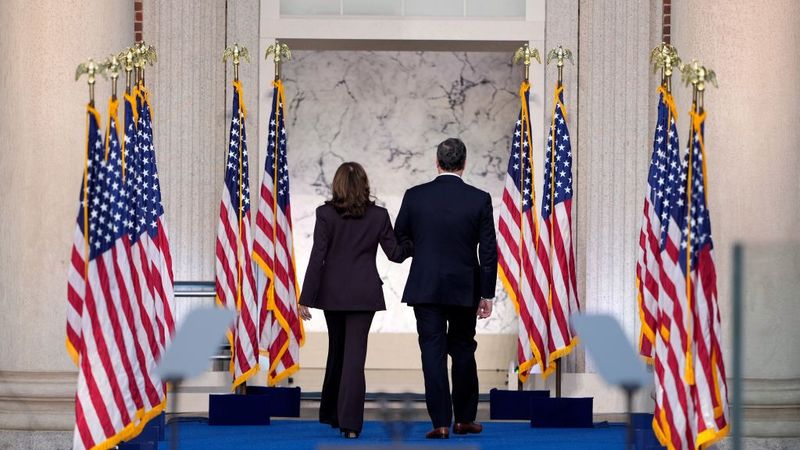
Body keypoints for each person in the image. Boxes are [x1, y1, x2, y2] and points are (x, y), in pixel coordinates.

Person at [298, 162, 412, 439]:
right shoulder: (379, 215)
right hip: (364, 293)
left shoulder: (324, 214)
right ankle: (348, 423)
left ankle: (335, 416)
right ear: (364, 184)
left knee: (337, 352)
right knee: (352, 358)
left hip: (332, 293)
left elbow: (317, 257)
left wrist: (306, 298)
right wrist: (415, 242)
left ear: (337, 184)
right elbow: (395, 253)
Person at [394, 137, 498, 439]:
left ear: (437, 163)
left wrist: (424, 250)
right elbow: (488, 252)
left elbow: (400, 237)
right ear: (464, 165)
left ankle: (440, 423)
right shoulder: (479, 199)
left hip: (426, 287)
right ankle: (465, 419)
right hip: (465, 288)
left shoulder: (415, 196)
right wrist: (487, 293)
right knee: (464, 350)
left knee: (432, 352)